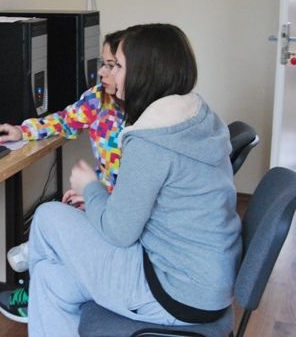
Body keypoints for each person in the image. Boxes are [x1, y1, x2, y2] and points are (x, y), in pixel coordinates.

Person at [27, 24, 242, 336]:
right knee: (50, 279)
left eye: (118, 66)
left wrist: (90, 186)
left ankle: (28, 276)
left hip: (173, 291)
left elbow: (119, 232)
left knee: (47, 215)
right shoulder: (197, 116)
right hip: (208, 282)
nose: (110, 75)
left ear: (144, 72)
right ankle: (36, 280)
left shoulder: (150, 139)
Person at [0, 30, 126, 323]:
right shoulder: (99, 99)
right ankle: (39, 288)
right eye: (103, 63)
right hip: (101, 194)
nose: (101, 72)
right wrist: (21, 130)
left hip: (120, 209)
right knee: (60, 208)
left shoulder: (148, 118)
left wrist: (96, 195)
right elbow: (64, 120)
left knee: (54, 220)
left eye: (112, 65)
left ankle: (36, 285)